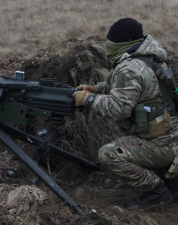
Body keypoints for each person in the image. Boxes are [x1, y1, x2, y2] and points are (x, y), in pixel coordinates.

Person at [73, 18, 178, 209]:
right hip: (171, 136)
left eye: (111, 42)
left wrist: (88, 100)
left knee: (109, 154)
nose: (107, 45)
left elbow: (118, 108)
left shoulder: (129, 68)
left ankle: (157, 192)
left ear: (123, 43)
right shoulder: (150, 59)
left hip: (162, 144)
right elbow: (131, 90)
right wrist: (96, 89)